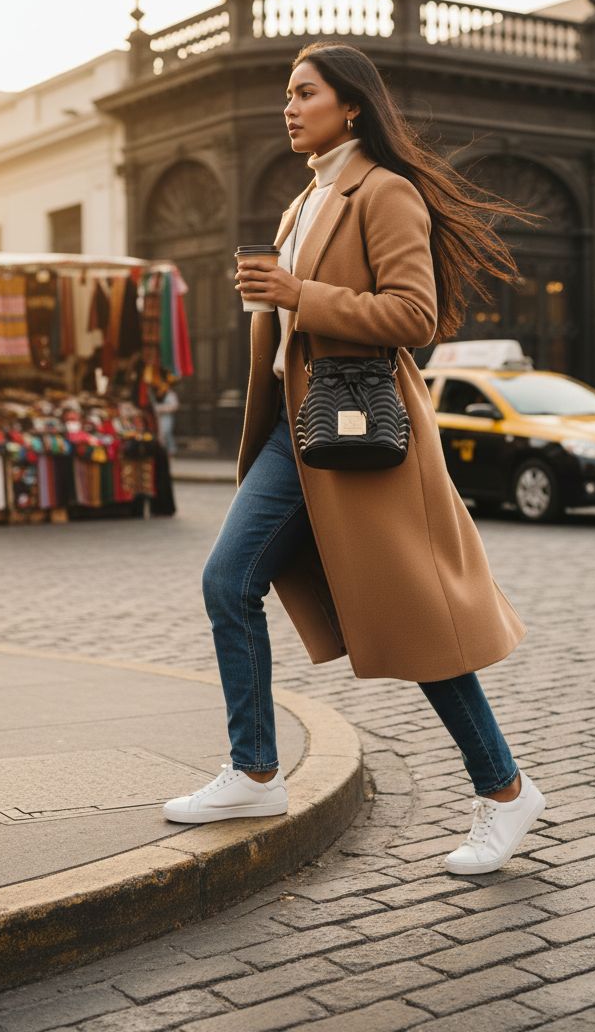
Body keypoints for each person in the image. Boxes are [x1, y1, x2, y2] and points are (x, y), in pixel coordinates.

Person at [163, 43, 546, 875]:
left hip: (358, 431)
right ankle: (257, 770)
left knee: (417, 626)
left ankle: (508, 794)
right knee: (229, 582)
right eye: (287, 95)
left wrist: (299, 295)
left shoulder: (385, 192)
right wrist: (273, 304)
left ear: (353, 106)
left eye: (305, 93)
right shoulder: (302, 204)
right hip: (295, 430)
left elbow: (415, 315)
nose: (290, 107)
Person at [154, 385, 179, 457]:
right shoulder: (160, 394)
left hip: (167, 416)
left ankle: (171, 450)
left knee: (166, 432)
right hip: (160, 417)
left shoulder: (171, 395)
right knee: (162, 433)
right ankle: (165, 450)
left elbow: (174, 406)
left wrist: (162, 408)